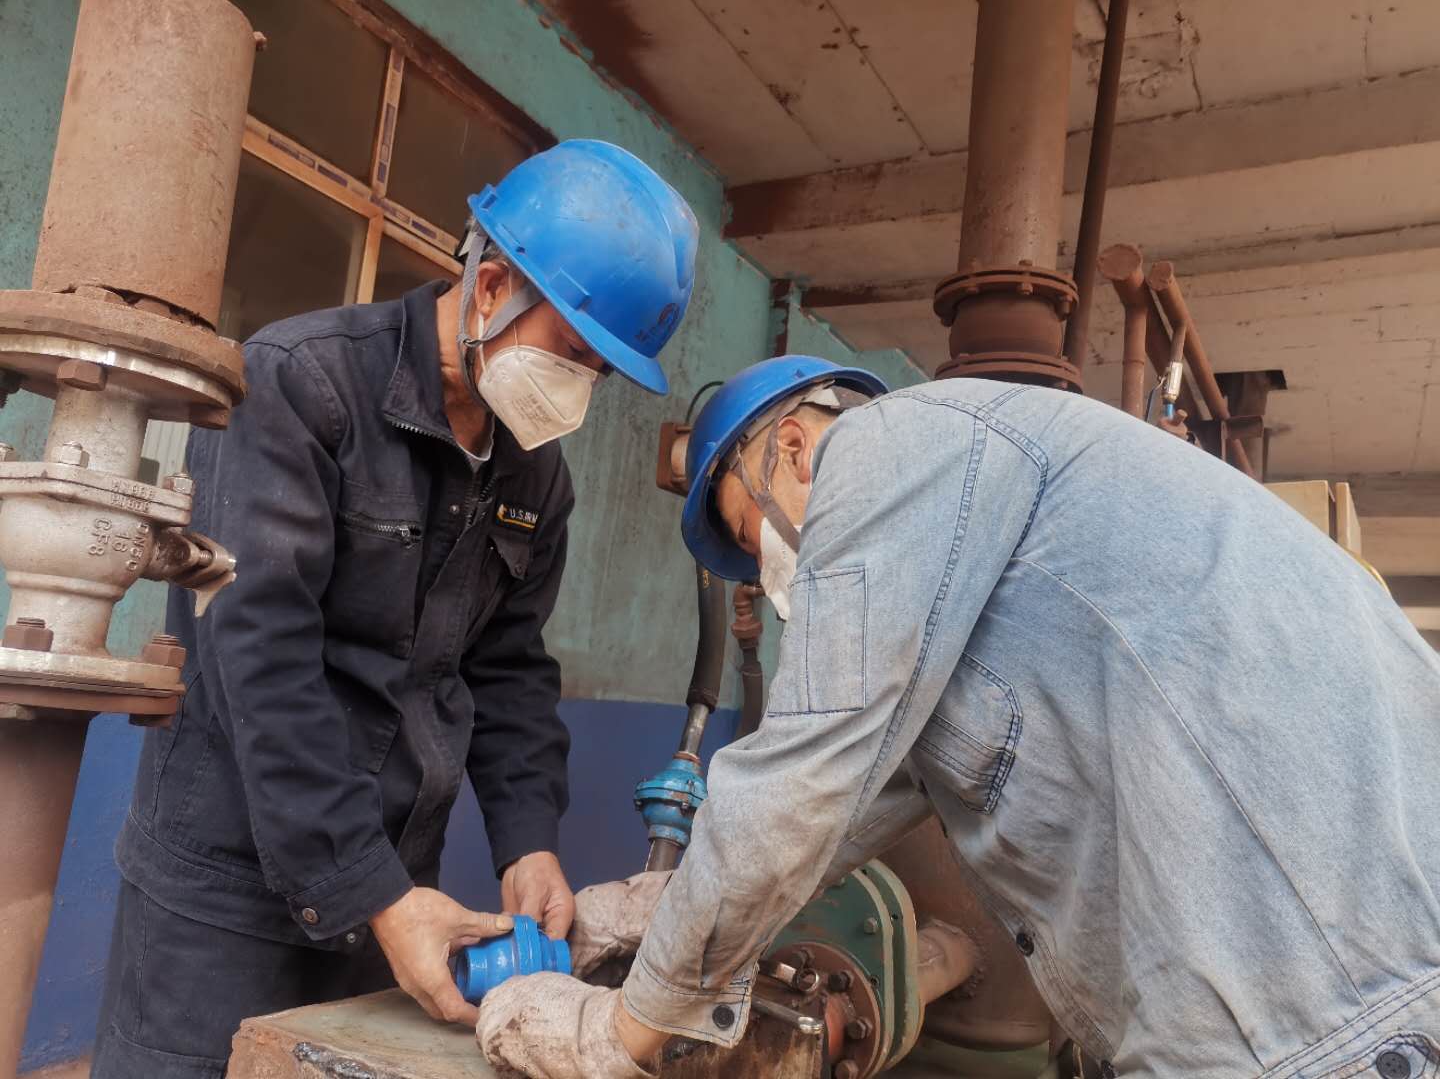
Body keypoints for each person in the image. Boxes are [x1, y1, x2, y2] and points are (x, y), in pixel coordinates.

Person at [476, 356, 1440, 1078]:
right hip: (1315, 991)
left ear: (799, 443)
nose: (764, 564)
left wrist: (621, 1031)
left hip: (1332, 993)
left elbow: (800, 783)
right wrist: (646, 910)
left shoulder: (887, 449)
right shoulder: (953, 550)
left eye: (745, 528)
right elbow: (838, 813)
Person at [91, 139, 698, 1077]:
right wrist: (377, 892)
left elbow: (509, 671)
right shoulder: (302, 382)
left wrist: (528, 839)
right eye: (571, 354)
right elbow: (260, 657)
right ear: (491, 285)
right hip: (224, 890)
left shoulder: (535, 473)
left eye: (599, 373)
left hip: (387, 889)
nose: (578, 390)